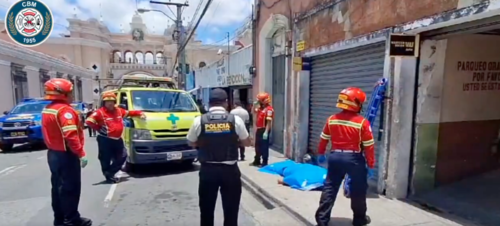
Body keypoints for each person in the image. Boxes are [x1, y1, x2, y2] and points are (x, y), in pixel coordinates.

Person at [186, 88, 251, 226]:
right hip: (230, 171)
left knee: (206, 210)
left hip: (208, 171)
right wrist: (233, 140)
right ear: (226, 103)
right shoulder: (236, 120)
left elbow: (191, 142)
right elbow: (247, 142)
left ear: (210, 103)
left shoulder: (199, 120)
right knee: (231, 211)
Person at [314, 87, 374, 226]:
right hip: (354, 159)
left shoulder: (332, 120)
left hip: (335, 157)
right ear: (356, 103)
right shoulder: (362, 122)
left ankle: (322, 220)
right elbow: (369, 146)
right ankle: (359, 219)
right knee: (358, 189)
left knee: (330, 187)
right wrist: (370, 165)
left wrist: (321, 153)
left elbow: (323, 139)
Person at [41, 78, 92, 226]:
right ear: (63, 94)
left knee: (57, 188)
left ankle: (60, 219)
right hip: (66, 154)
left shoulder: (48, 109)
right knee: (70, 188)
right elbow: (70, 135)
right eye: (70, 92)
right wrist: (81, 153)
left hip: (53, 153)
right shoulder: (65, 111)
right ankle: (71, 220)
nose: (72, 95)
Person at [85, 92, 145, 183]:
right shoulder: (99, 112)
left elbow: (129, 113)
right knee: (105, 159)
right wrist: (98, 128)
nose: (110, 103)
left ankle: (110, 172)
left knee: (123, 156)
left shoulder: (119, 111)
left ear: (115, 102)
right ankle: (108, 176)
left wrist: (139, 113)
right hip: (105, 140)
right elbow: (88, 121)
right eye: (107, 101)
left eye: (112, 101)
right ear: (104, 103)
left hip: (117, 139)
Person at [250, 92, 274, 167]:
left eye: (259, 100)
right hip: (259, 129)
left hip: (264, 129)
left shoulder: (269, 109)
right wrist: (254, 105)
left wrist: (266, 132)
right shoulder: (260, 108)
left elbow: (269, 122)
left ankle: (264, 162)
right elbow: (252, 112)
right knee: (257, 146)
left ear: (264, 100)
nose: (258, 101)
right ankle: (257, 160)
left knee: (264, 147)